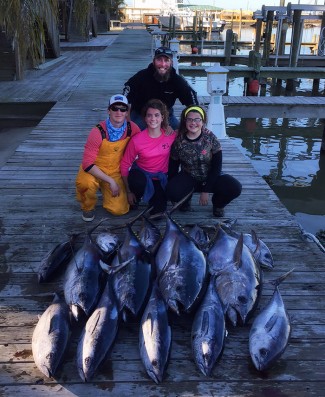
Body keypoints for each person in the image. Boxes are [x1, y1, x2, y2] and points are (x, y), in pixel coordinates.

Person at [166, 105, 242, 217]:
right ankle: (185, 200)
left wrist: (206, 190)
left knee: (235, 187)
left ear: (203, 121)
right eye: (190, 119)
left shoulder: (210, 138)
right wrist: (172, 190)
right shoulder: (178, 141)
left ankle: (218, 204)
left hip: (210, 176)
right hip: (189, 176)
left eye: (197, 119)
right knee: (172, 190)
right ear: (185, 121)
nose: (193, 123)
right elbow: (173, 166)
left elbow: (217, 167)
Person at [76, 94, 141, 222]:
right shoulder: (97, 131)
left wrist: (166, 127)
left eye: (123, 109)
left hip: (115, 171)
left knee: (119, 210)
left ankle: (104, 189)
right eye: (114, 108)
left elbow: (145, 141)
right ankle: (87, 207)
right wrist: (110, 182)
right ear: (108, 111)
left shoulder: (132, 128)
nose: (119, 112)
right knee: (86, 183)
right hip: (94, 169)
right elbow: (87, 164)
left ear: (127, 112)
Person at [120, 99, 177, 216]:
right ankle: (136, 196)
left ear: (162, 117)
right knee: (137, 181)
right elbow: (125, 164)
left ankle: (155, 200)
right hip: (141, 175)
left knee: (157, 215)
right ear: (145, 118)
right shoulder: (137, 140)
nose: (153, 119)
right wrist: (128, 191)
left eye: (157, 115)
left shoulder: (171, 136)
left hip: (159, 178)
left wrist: (204, 130)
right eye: (149, 115)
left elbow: (188, 132)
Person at [123, 46, 199, 130]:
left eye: (166, 60)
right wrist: (127, 120)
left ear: (171, 63)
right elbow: (124, 97)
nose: (163, 64)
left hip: (167, 116)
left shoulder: (177, 80)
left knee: (180, 133)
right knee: (134, 133)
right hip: (141, 116)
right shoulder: (141, 76)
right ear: (154, 61)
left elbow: (193, 103)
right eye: (159, 60)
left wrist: (191, 121)